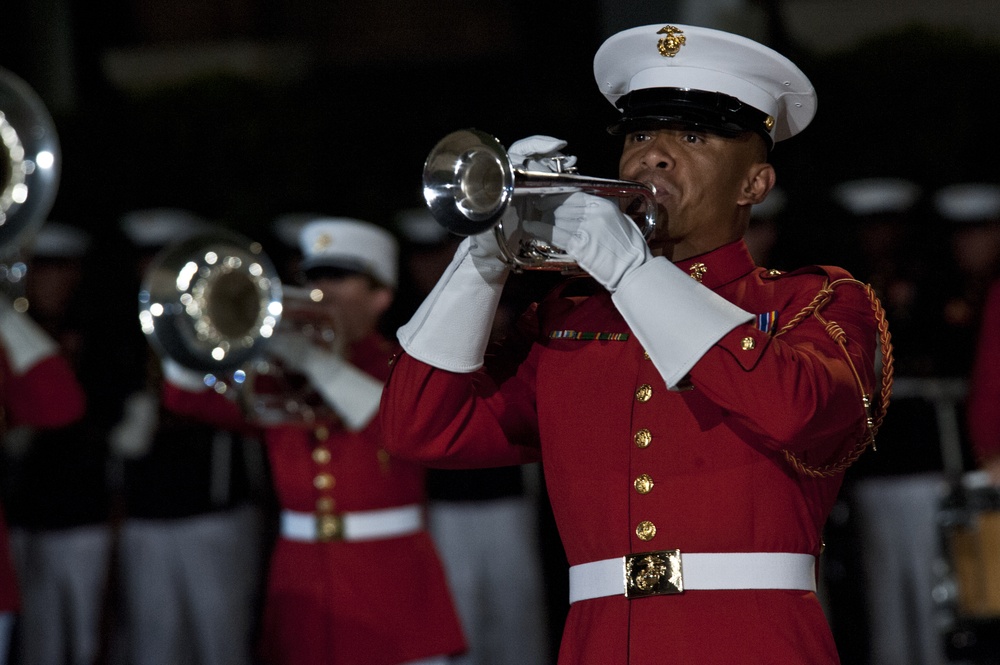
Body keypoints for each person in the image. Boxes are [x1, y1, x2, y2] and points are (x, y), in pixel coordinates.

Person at [378, 23, 890, 664]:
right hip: (598, 643)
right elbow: (416, 428)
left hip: (754, 641)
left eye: (693, 137)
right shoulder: (568, 317)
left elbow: (801, 409)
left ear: (754, 185)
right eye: (641, 135)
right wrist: (485, 253)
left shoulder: (815, 301)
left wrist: (634, 273)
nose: (655, 156)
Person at [161, 217, 466, 665]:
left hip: (390, 582)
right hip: (300, 579)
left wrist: (308, 357)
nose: (321, 290)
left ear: (380, 295)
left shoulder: (403, 363)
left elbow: (386, 419)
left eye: (339, 277)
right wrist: (186, 333)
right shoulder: (282, 374)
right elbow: (189, 399)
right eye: (313, 277)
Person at [394, 208, 550, 665]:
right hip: (439, 503)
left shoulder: (501, 303)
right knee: (459, 628)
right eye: (419, 254)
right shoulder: (406, 320)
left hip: (506, 493)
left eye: (438, 251)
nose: (428, 264)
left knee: (517, 623)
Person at [112, 208, 267, 665]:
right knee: (153, 644)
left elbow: (250, 411)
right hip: (147, 516)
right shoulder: (122, 331)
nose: (151, 269)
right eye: (144, 257)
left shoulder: (224, 321)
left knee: (222, 639)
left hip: (214, 513)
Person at [0, 221, 116, 665]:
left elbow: (61, 404)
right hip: (28, 514)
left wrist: (5, 314)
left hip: (76, 510)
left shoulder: (96, 329)